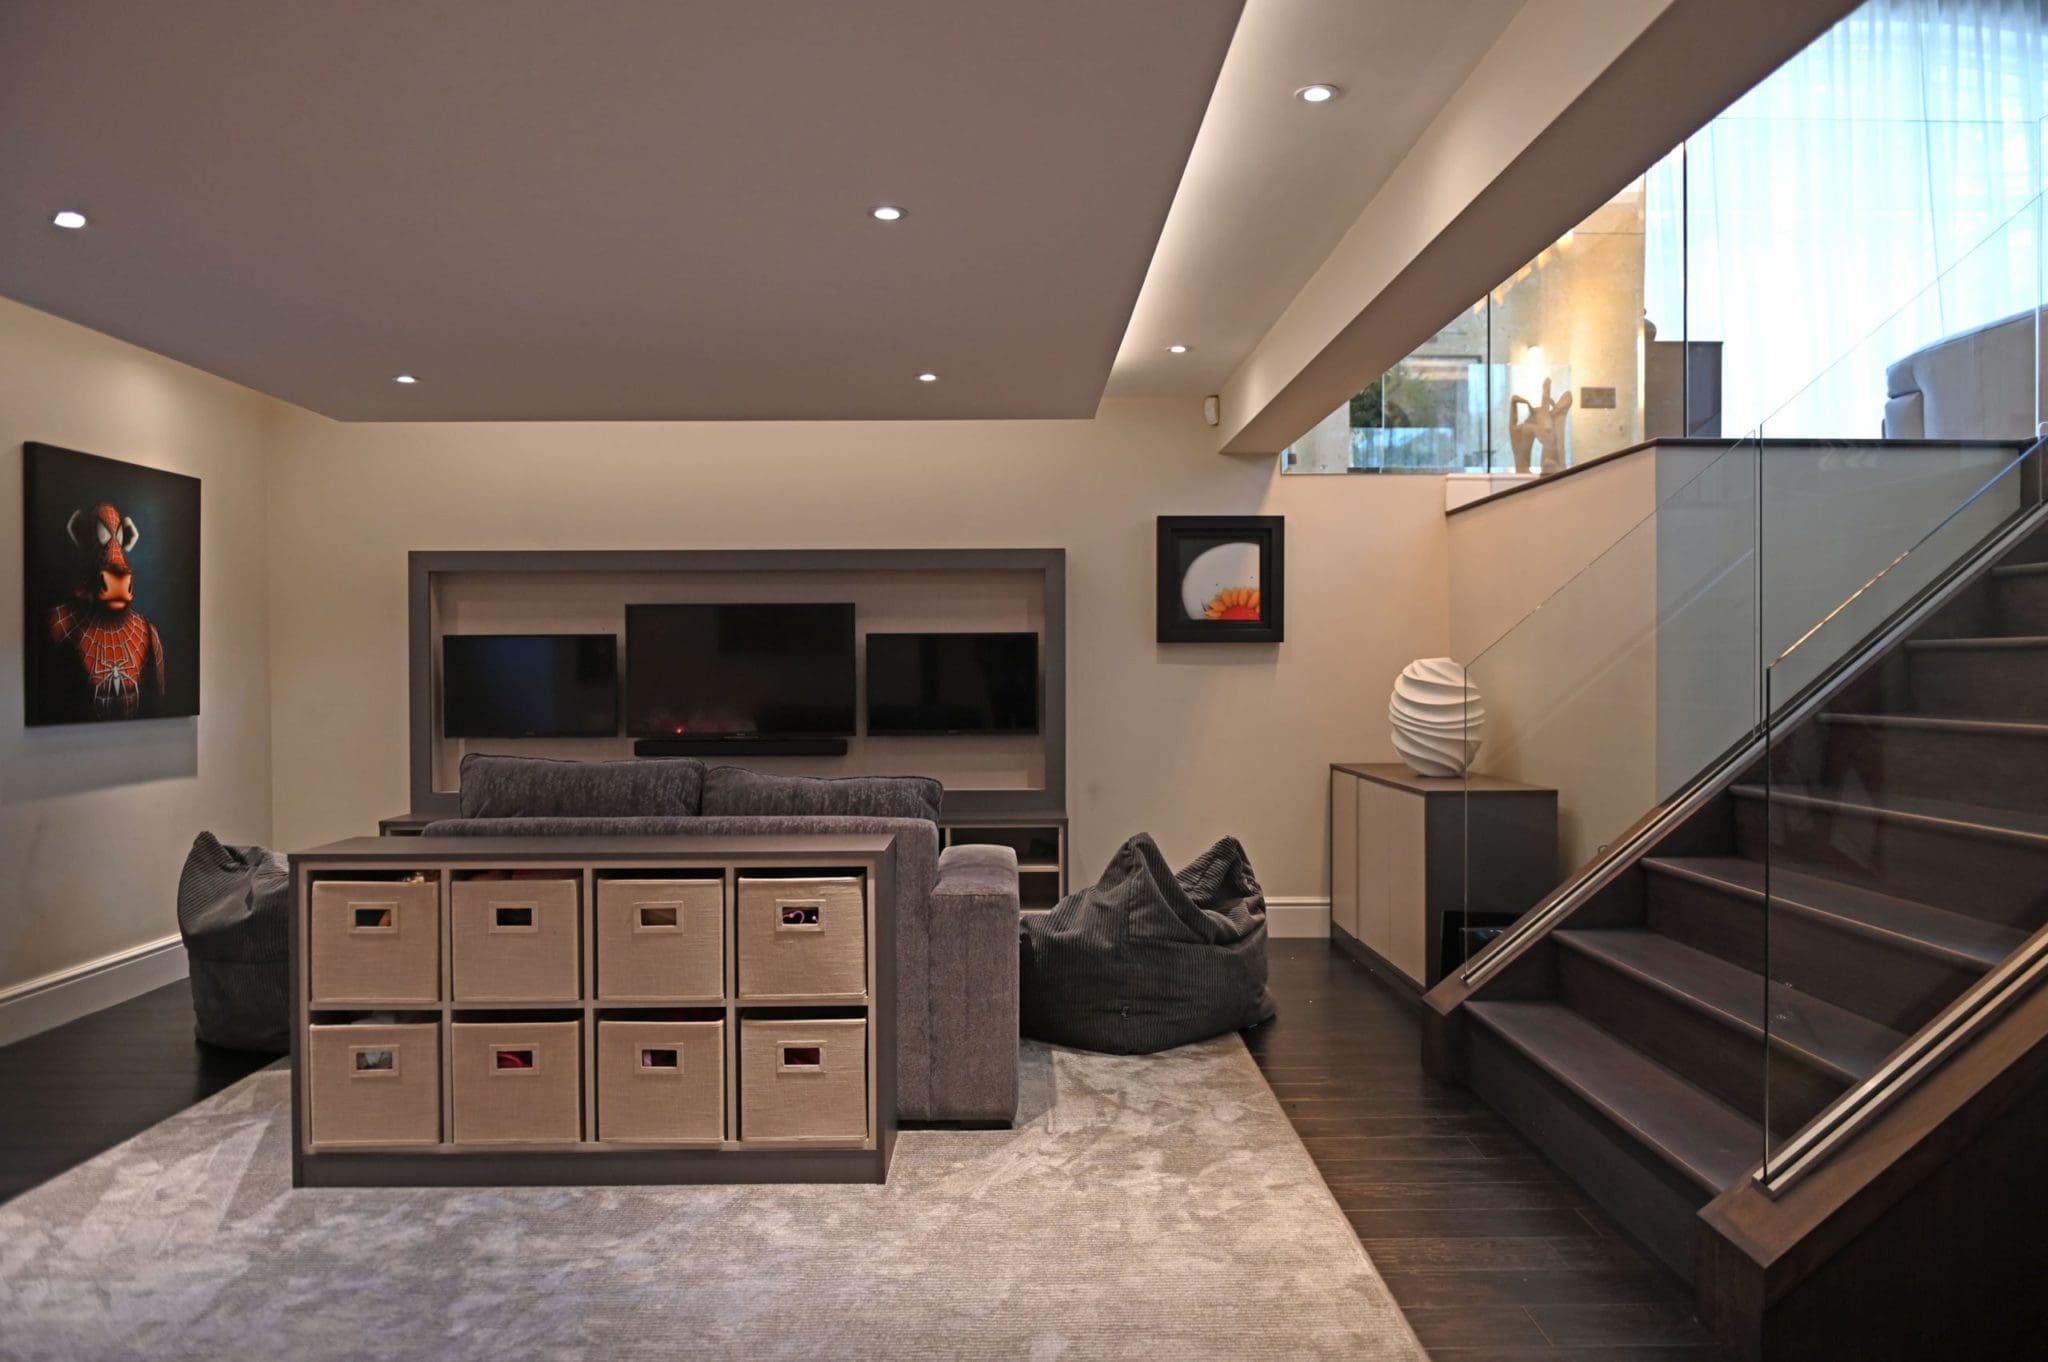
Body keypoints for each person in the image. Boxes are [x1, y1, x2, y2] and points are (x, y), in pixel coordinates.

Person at [43, 501, 167, 720]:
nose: (113, 552)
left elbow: (161, 704)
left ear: (127, 539)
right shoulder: (62, 624)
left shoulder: (148, 634)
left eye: (118, 540)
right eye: (103, 540)